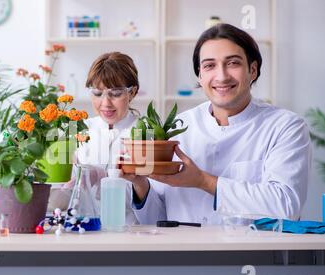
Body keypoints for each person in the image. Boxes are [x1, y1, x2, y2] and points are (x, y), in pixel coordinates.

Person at [124, 24, 311, 225]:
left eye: (233, 63)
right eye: (209, 65)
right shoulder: (180, 126)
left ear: (253, 70)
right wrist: (140, 184)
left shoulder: (286, 127)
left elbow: (287, 206)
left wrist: (203, 181)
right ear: (200, 75)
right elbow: (158, 220)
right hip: (182, 252)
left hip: (252, 254)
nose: (221, 76)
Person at [54, 52, 140, 224]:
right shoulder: (79, 129)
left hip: (131, 233)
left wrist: (104, 176)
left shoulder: (145, 133)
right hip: (85, 231)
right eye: (97, 93)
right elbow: (66, 191)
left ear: (132, 92)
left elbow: (153, 200)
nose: (105, 103)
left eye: (115, 93)